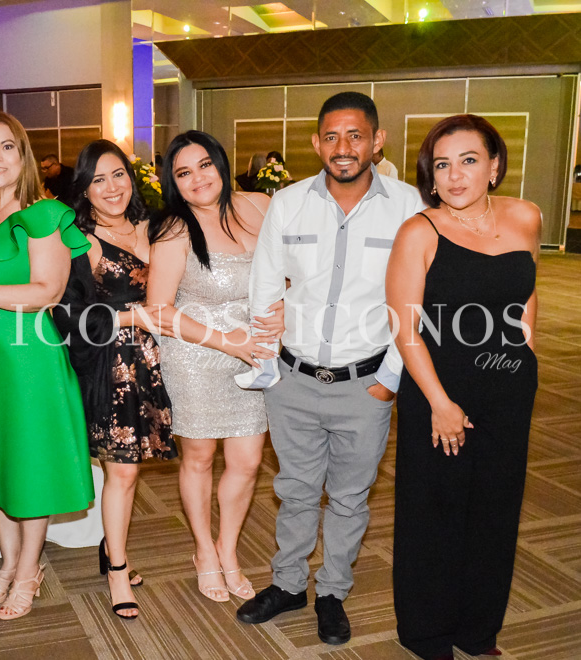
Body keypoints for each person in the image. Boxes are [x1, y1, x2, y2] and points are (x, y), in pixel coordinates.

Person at [236, 92, 424, 645]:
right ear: (317, 143)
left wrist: (389, 380)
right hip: (293, 380)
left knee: (348, 496)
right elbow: (264, 286)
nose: (344, 148)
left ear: (377, 141)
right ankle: (289, 583)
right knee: (295, 489)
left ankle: (332, 591)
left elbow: (417, 298)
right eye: (332, 137)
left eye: (356, 135)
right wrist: (269, 364)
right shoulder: (289, 202)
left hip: (365, 384)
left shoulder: (408, 206)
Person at [387, 115, 539, 660]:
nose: (454, 176)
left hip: (509, 389)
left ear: (494, 166)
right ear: (430, 175)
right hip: (439, 388)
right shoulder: (419, 231)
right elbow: (404, 327)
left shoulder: (525, 216)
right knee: (435, 513)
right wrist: (440, 402)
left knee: (496, 509)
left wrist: (528, 353)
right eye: (442, 165)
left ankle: (478, 630)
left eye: (469, 161)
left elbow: (527, 292)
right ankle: (427, 633)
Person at [0, 111, 94, 621]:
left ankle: (29, 569)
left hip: (28, 359)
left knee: (28, 463)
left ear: (23, 155)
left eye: (7, 146)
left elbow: (48, 290)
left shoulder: (42, 214)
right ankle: (8, 562)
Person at [148, 130, 276, 604]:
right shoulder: (174, 229)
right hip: (196, 354)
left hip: (254, 352)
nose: (198, 178)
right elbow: (159, 310)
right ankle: (204, 550)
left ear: (221, 163)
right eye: (184, 173)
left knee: (248, 460)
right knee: (199, 458)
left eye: (204, 165)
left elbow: (289, 271)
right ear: (174, 183)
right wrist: (227, 341)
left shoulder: (260, 206)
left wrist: (281, 312)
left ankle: (228, 549)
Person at [58, 139, 176, 620]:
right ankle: (118, 571)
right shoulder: (81, 241)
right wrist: (133, 318)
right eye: (98, 179)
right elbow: (68, 316)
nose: (111, 187)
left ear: (133, 177)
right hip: (113, 366)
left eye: (118, 174)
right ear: (84, 190)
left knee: (135, 469)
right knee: (122, 472)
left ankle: (112, 546)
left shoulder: (156, 226)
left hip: (159, 358)